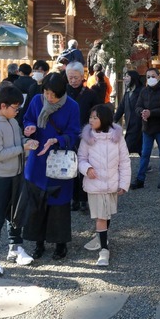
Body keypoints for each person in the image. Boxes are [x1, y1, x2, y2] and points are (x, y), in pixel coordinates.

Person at [22, 72, 81, 260]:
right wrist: (29, 127)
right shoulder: (37, 101)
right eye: (46, 92)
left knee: (59, 204)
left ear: (62, 92)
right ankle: (38, 243)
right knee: (36, 203)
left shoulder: (72, 106)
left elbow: (74, 133)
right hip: (38, 158)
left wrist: (58, 140)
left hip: (59, 161)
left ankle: (60, 243)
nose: (49, 97)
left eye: (53, 94)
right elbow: (27, 118)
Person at [0, 86, 39, 277]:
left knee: (16, 213)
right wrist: (23, 147)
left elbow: (16, 143)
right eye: (15, 107)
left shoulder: (12, 121)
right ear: (3, 106)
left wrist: (26, 139)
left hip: (15, 174)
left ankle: (15, 247)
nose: (17, 111)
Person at [78, 104, 131, 266]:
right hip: (95, 184)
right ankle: (104, 250)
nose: (91, 120)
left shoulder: (117, 137)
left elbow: (124, 161)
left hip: (112, 183)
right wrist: (87, 169)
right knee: (101, 216)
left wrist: (124, 183)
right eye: (90, 117)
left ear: (104, 119)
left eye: (95, 117)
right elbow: (81, 158)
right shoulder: (87, 138)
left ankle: (100, 237)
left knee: (106, 214)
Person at [65, 62, 101, 211]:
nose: (73, 81)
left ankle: (84, 198)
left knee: (86, 167)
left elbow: (98, 114)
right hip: (67, 135)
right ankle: (73, 198)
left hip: (86, 135)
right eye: (70, 77)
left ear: (82, 76)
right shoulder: (63, 92)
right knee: (70, 167)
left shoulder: (91, 94)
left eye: (76, 77)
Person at [130, 67, 160, 190]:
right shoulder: (144, 91)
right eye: (148, 77)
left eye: (153, 76)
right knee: (145, 154)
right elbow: (137, 106)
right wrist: (142, 112)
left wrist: (151, 113)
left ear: (159, 77)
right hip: (147, 127)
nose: (150, 79)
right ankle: (140, 179)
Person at [114, 70, 144, 154]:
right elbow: (121, 108)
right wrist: (114, 120)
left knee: (126, 148)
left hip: (139, 124)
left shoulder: (142, 91)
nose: (124, 78)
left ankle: (119, 165)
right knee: (140, 149)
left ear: (133, 78)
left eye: (127, 76)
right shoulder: (127, 92)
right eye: (124, 76)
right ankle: (144, 166)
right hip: (129, 123)